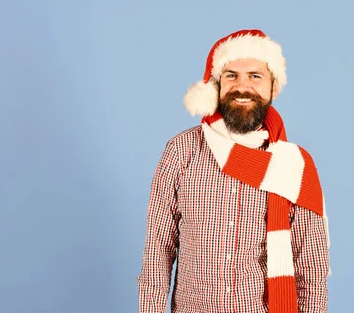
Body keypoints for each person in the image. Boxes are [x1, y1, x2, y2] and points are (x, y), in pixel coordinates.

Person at [137, 29, 331, 313]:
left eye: (255, 76)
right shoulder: (181, 150)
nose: (243, 86)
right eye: (231, 76)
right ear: (215, 85)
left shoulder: (294, 166)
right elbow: (158, 250)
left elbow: (311, 271)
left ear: (272, 87)